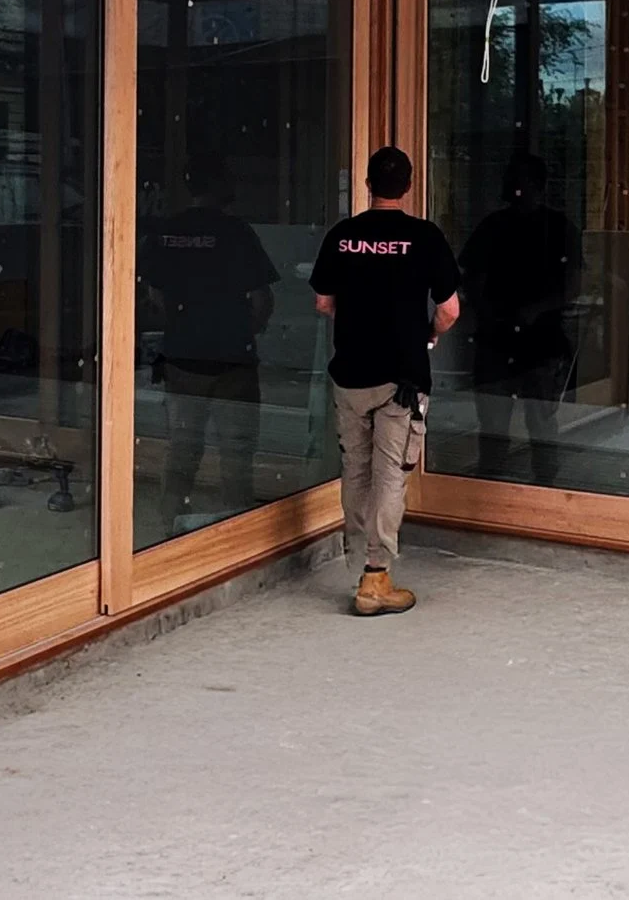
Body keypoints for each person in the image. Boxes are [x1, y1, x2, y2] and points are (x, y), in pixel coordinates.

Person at [310, 146, 460, 617]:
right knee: (390, 474)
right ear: (409, 186)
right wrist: (429, 335)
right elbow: (450, 309)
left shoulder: (343, 236)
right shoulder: (425, 237)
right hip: (403, 377)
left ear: (368, 184)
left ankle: (360, 566)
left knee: (355, 470)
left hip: (351, 373)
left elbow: (322, 303)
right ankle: (376, 578)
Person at [142, 163, 279, 532]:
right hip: (231, 357)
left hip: (183, 357)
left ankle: (168, 526)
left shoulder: (168, 231)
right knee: (236, 453)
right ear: (219, 183)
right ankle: (237, 530)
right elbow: (261, 297)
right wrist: (245, 329)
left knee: (181, 449)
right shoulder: (235, 232)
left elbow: (154, 293)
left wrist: (182, 324)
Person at [456, 155, 582, 485]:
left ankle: (545, 486)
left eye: (522, 183)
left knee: (541, 422)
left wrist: (536, 310)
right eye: (512, 183)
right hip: (496, 338)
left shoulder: (558, 227)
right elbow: (469, 281)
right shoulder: (492, 227)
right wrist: (487, 314)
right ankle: (491, 485)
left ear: (538, 187)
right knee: (493, 423)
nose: (516, 190)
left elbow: (573, 286)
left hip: (541, 339)